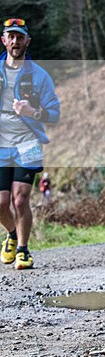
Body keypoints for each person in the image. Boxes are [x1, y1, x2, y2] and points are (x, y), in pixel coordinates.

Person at [0, 19, 60, 270]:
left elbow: (54, 114)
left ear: (27, 41)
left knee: (20, 200)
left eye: (20, 37)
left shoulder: (39, 76)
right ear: (4, 40)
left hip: (28, 143)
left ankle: (23, 250)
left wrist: (32, 111)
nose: (15, 41)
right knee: (1, 204)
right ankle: (12, 234)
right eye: (10, 37)